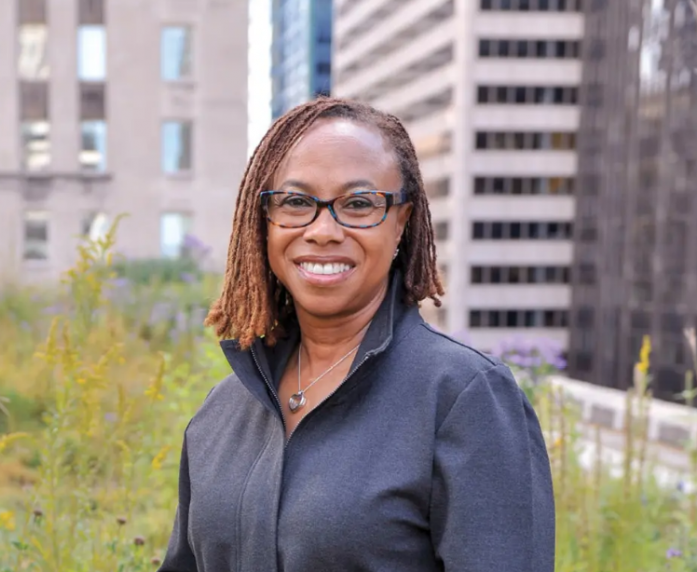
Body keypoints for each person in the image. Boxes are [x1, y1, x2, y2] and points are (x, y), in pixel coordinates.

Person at [157, 98, 555, 572]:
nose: (323, 230)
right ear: (263, 221)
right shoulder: (222, 412)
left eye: (359, 204)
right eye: (297, 202)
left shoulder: (464, 399)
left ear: (402, 222)